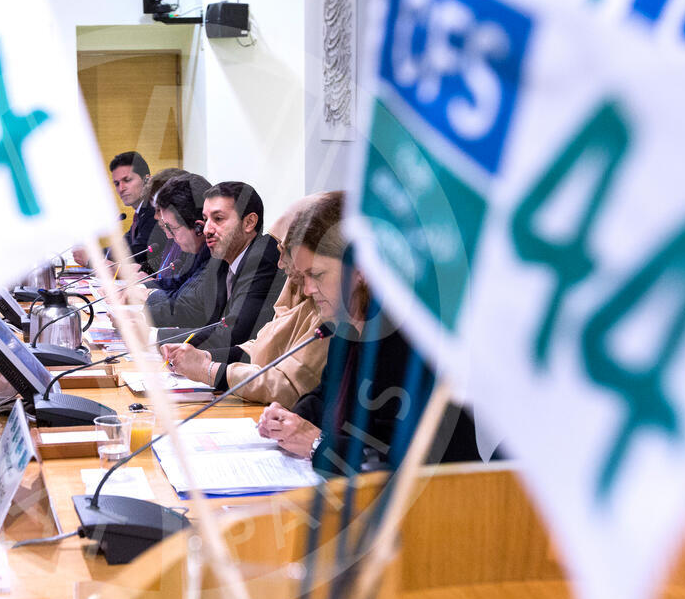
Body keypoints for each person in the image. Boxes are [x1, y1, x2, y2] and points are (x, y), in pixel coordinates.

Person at [255, 196, 480, 475]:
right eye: (304, 277)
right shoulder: (348, 327)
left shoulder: (411, 340)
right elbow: (326, 396)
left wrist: (317, 444)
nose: (308, 290)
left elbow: (406, 459)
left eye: (318, 275)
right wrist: (288, 419)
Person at [159, 192, 338, 407]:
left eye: (218, 218)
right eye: (206, 220)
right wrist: (203, 357)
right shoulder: (299, 285)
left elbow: (290, 385)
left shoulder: (325, 299)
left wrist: (208, 369)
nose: (280, 262)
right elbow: (264, 344)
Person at [159, 181, 285, 364]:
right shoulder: (221, 260)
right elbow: (195, 311)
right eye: (206, 219)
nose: (207, 230)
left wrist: (151, 337)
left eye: (218, 219)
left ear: (249, 222)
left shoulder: (262, 258)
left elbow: (233, 334)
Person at [125, 173, 224, 329]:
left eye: (172, 228)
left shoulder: (218, 255)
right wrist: (141, 288)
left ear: (198, 228)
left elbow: (186, 307)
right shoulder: (197, 249)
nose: (169, 235)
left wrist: (145, 303)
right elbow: (179, 283)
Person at [71, 150, 164, 273]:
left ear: (147, 180)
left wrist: (93, 259)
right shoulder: (141, 213)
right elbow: (123, 246)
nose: (121, 188)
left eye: (127, 180)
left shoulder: (156, 212)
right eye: (116, 183)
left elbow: (136, 253)